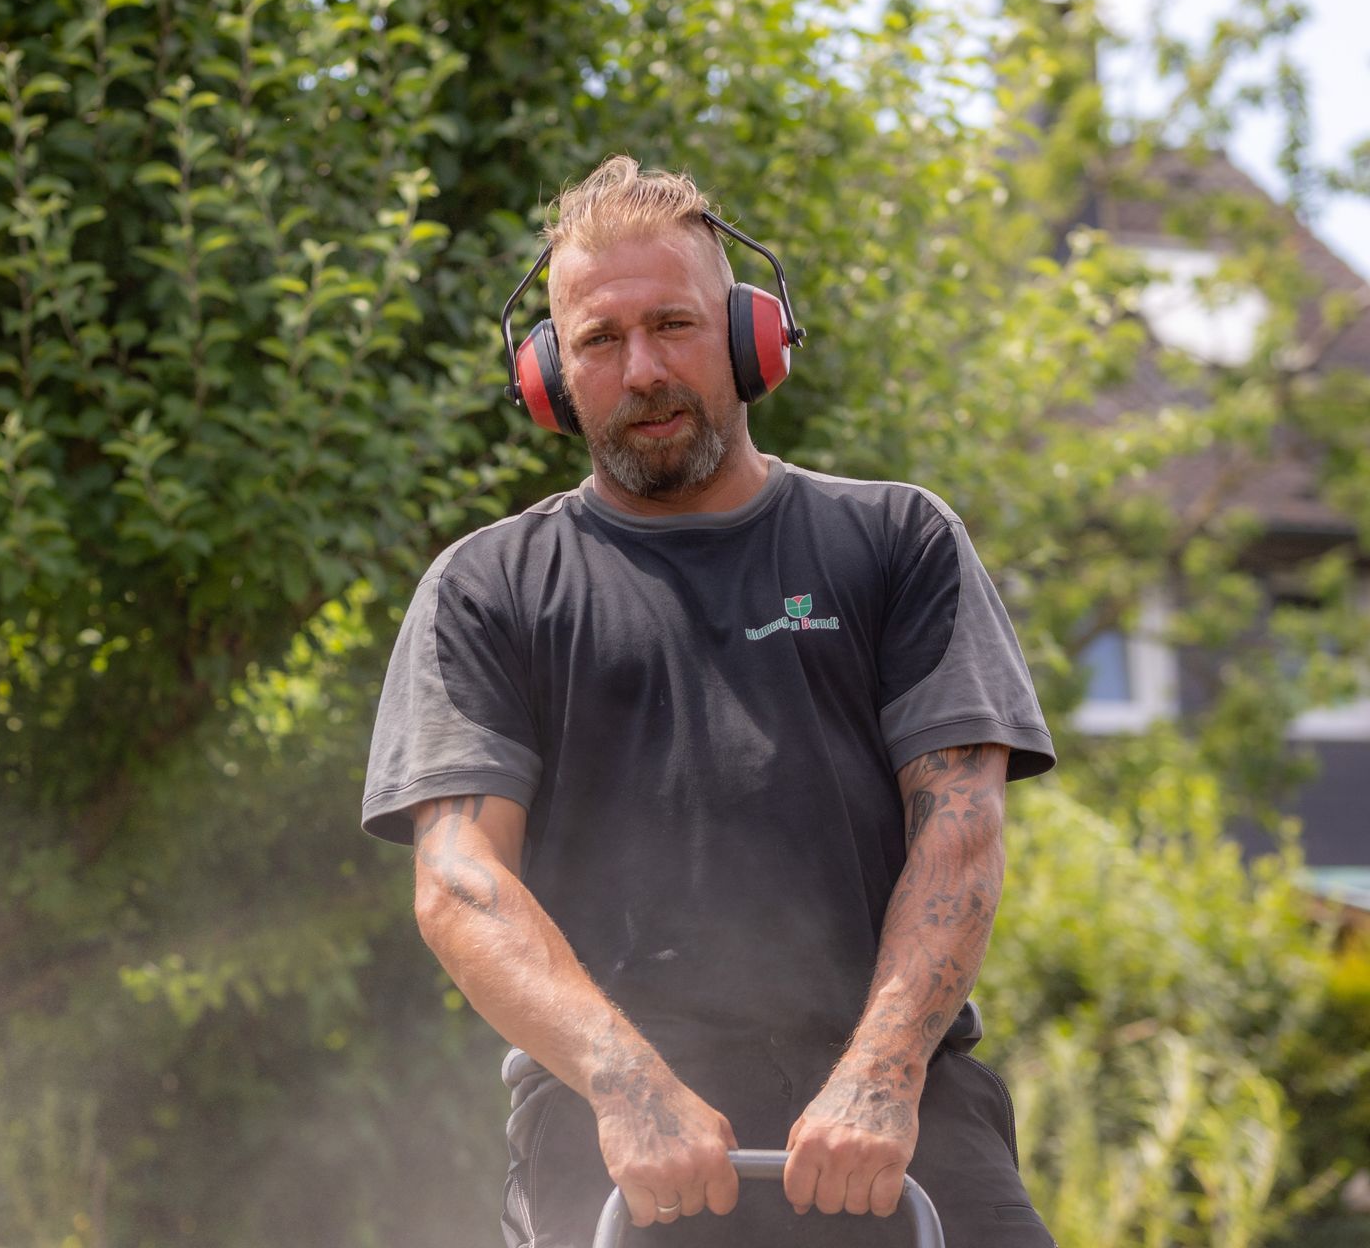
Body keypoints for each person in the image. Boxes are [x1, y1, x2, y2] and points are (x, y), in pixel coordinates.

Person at [360, 156, 1058, 1247]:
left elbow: (961, 827)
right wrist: (627, 1085)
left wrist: (879, 1074)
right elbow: (459, 879)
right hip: (614, 1134)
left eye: (675, 324)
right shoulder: (486, 590)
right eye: (599, 339)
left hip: (900, 1104)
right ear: (547, 371)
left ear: (749, 337)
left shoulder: (898, 541)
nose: (643, 368)